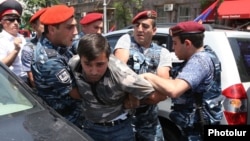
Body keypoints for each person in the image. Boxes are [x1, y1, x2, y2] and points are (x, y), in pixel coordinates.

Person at [68, 33, 167, 141]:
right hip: (90, 127)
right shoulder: (73, 64)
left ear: (108, 59)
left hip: (119, 131)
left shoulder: (122, 74)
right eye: (87, 64)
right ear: (80, 58)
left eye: (100, 64)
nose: (94, 71)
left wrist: (133, 99)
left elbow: (159, 96)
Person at [140, 21, 224, 141]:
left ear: (187, 43)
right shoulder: (206, 55)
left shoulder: (199, 61)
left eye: (175, 43)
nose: (173, 48)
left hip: (198, 133)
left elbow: (175, 90)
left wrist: (148, 76)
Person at [113, 10, 172, 141]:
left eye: (145, 26)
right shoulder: (126, 40)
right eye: (137, 25)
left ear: (154, 30)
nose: (139, 29)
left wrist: (134, 100)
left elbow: (163, 90)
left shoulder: (163, 52)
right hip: (122, 120)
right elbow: (119, 73)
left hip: (148, 123)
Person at [31, 5, 84, 129]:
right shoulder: (50, 61)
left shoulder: (59, 43)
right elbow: (76, 94)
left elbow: (81, 45)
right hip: (67, 124)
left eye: (75, 26)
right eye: (69, 27)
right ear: (52, 30)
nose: (75, 32)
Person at [0, 0, 27, 82]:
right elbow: (1, 66)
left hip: (29, 80)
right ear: (1, 21)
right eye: (11, 19)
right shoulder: (1, 40)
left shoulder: (22, 38)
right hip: (12, 82)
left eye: (18, 20)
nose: (15, 22)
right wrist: (16, 50)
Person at [21, 8, 47, 88]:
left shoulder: (59, 42)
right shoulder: (29, 48)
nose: (48, 26)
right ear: (34, 26)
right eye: (43, 23)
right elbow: (32, 80)